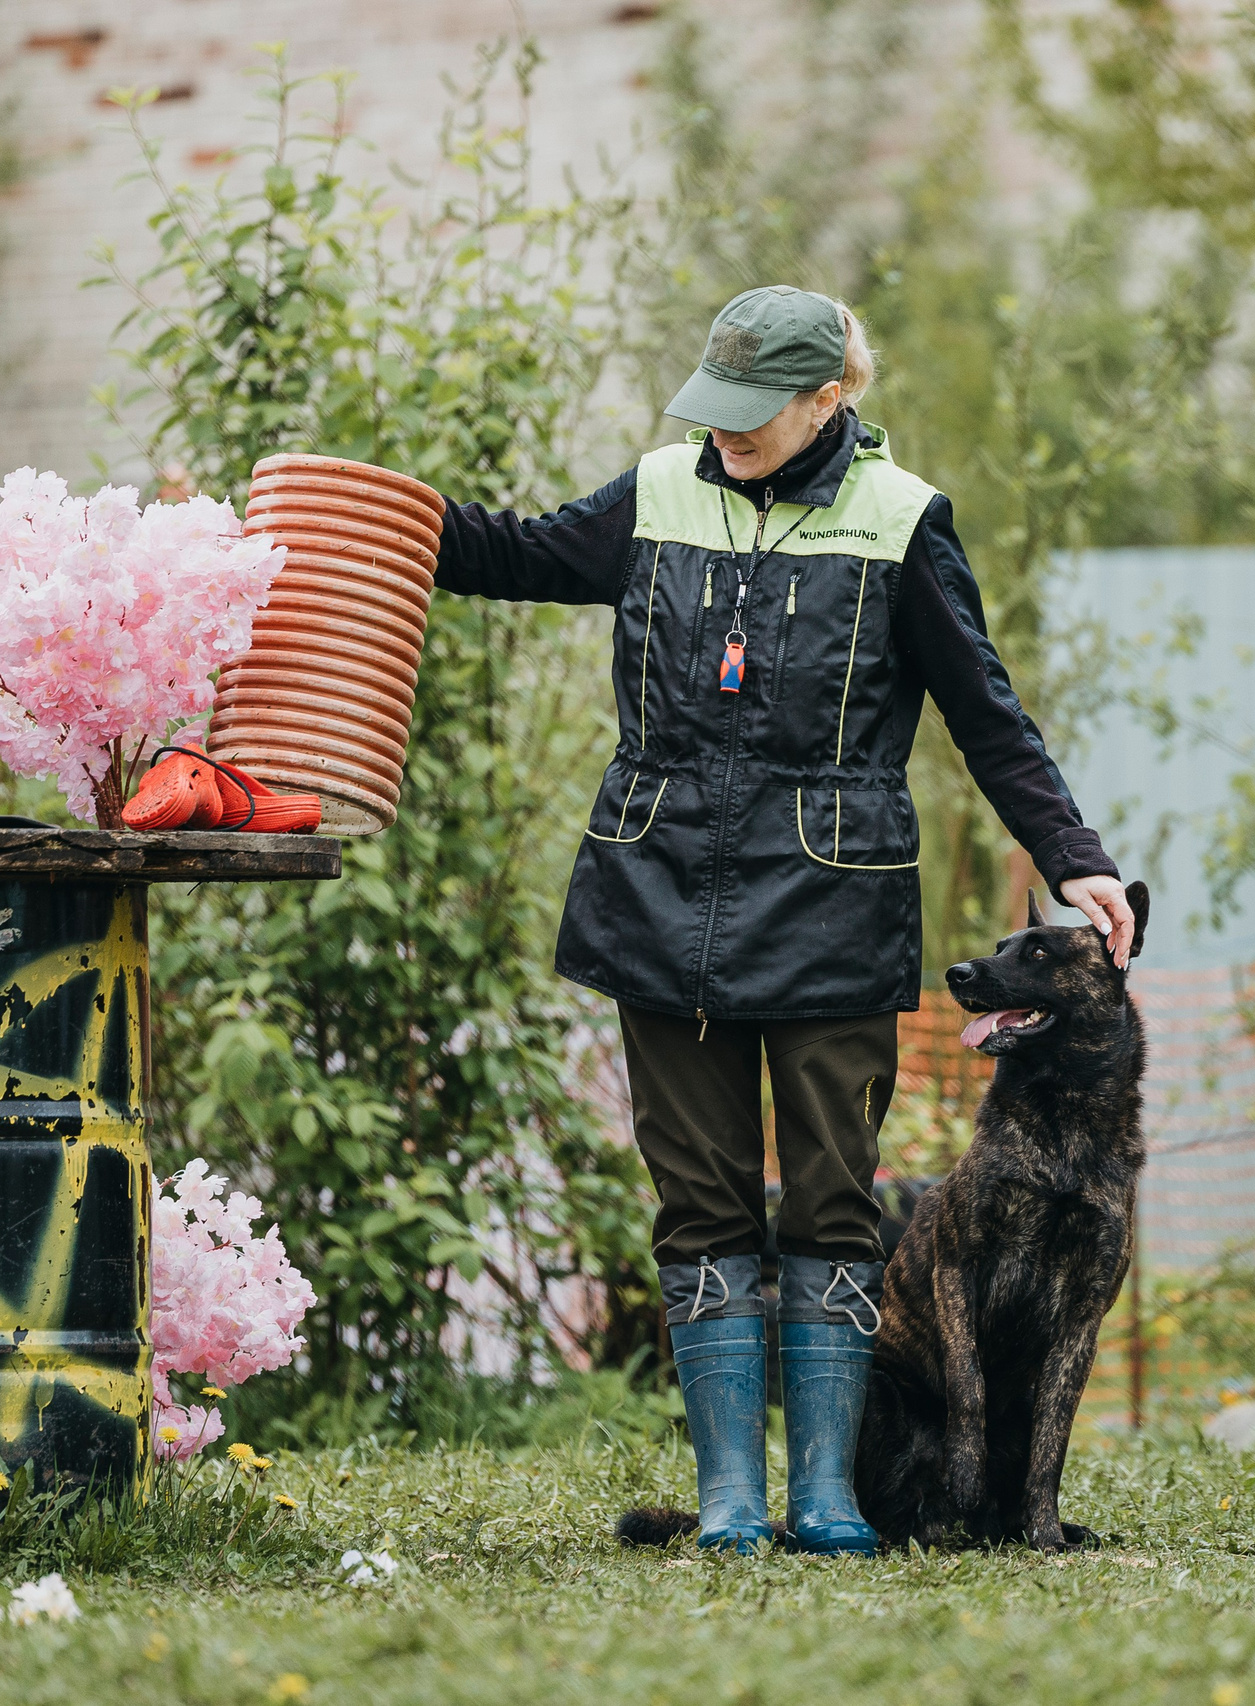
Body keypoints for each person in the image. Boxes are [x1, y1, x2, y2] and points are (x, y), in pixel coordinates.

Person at [431, 286, 1135, 1553]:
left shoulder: (901, 521)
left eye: (755, 410)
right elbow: (513, 554)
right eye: (716, 404)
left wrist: (1072, 858)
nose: (726, 430)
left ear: (829, 399)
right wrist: (368, 514)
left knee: (829, 1203)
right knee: (698, 1201)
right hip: (658, 901)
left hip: (831, 910)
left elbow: (986, 715)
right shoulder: (656, 493)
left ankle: (823, 1493)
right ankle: (730, 1497)